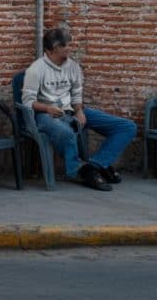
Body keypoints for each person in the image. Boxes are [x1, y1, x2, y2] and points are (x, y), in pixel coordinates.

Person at [22, 27, 136, 191]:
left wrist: (79, 110)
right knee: (67, 132)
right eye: (66, 45)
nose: (70, 48)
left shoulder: (73, 67)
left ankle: (95, 165)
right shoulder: (36, 70)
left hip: (71, 112)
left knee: (127, 127)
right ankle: (77, 170)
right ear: (54, 48)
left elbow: (76, 94)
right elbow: (27, 101)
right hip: (45, 116)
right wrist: (47, 108)